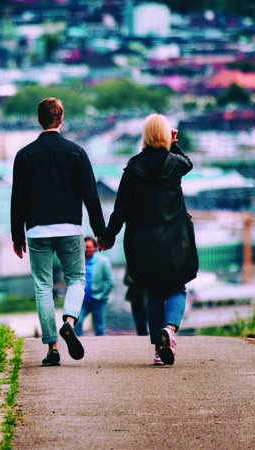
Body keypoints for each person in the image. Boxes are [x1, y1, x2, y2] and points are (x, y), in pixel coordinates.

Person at [11, 97, 106, 367]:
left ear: (38, 119)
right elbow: (91, 195)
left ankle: (52, 347)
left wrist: (17, 236)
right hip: (70, 228)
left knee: (43, 287)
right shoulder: (76, 152)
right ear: (61, 120)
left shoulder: (24, 155)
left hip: (37, 230)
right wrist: (100, 232)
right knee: (76, 278)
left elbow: (17, 200)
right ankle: (70, 321)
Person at [98, 113, 198, 366]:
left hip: (144, 242)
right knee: (177, 287)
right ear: (165, 135)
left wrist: (108, 236)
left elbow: (121, 208)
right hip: (175, 239)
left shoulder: (133, 168)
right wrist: (173, 143)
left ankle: (158, 349)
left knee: (153, 293)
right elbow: (188, 163)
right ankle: (170, 329)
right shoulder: (175, 164)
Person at [75, 236, 114, 337]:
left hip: (98, 300)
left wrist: (101, 295)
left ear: (94, 248)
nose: (86, 249)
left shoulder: (103, 261)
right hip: (82, 300)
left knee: (99, 328)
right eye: (85, 247)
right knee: (77, 323)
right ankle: (79, 345)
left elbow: (110, 281)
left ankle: (100, 349)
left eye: (89, 247)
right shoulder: (79, 261)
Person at [123, 267, 149, 336]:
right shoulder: (131, 260)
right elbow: (126, 280)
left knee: (142, 321)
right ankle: (142, 338)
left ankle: (145, 337)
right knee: (138, 322)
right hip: (134, 297)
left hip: (146, 297)